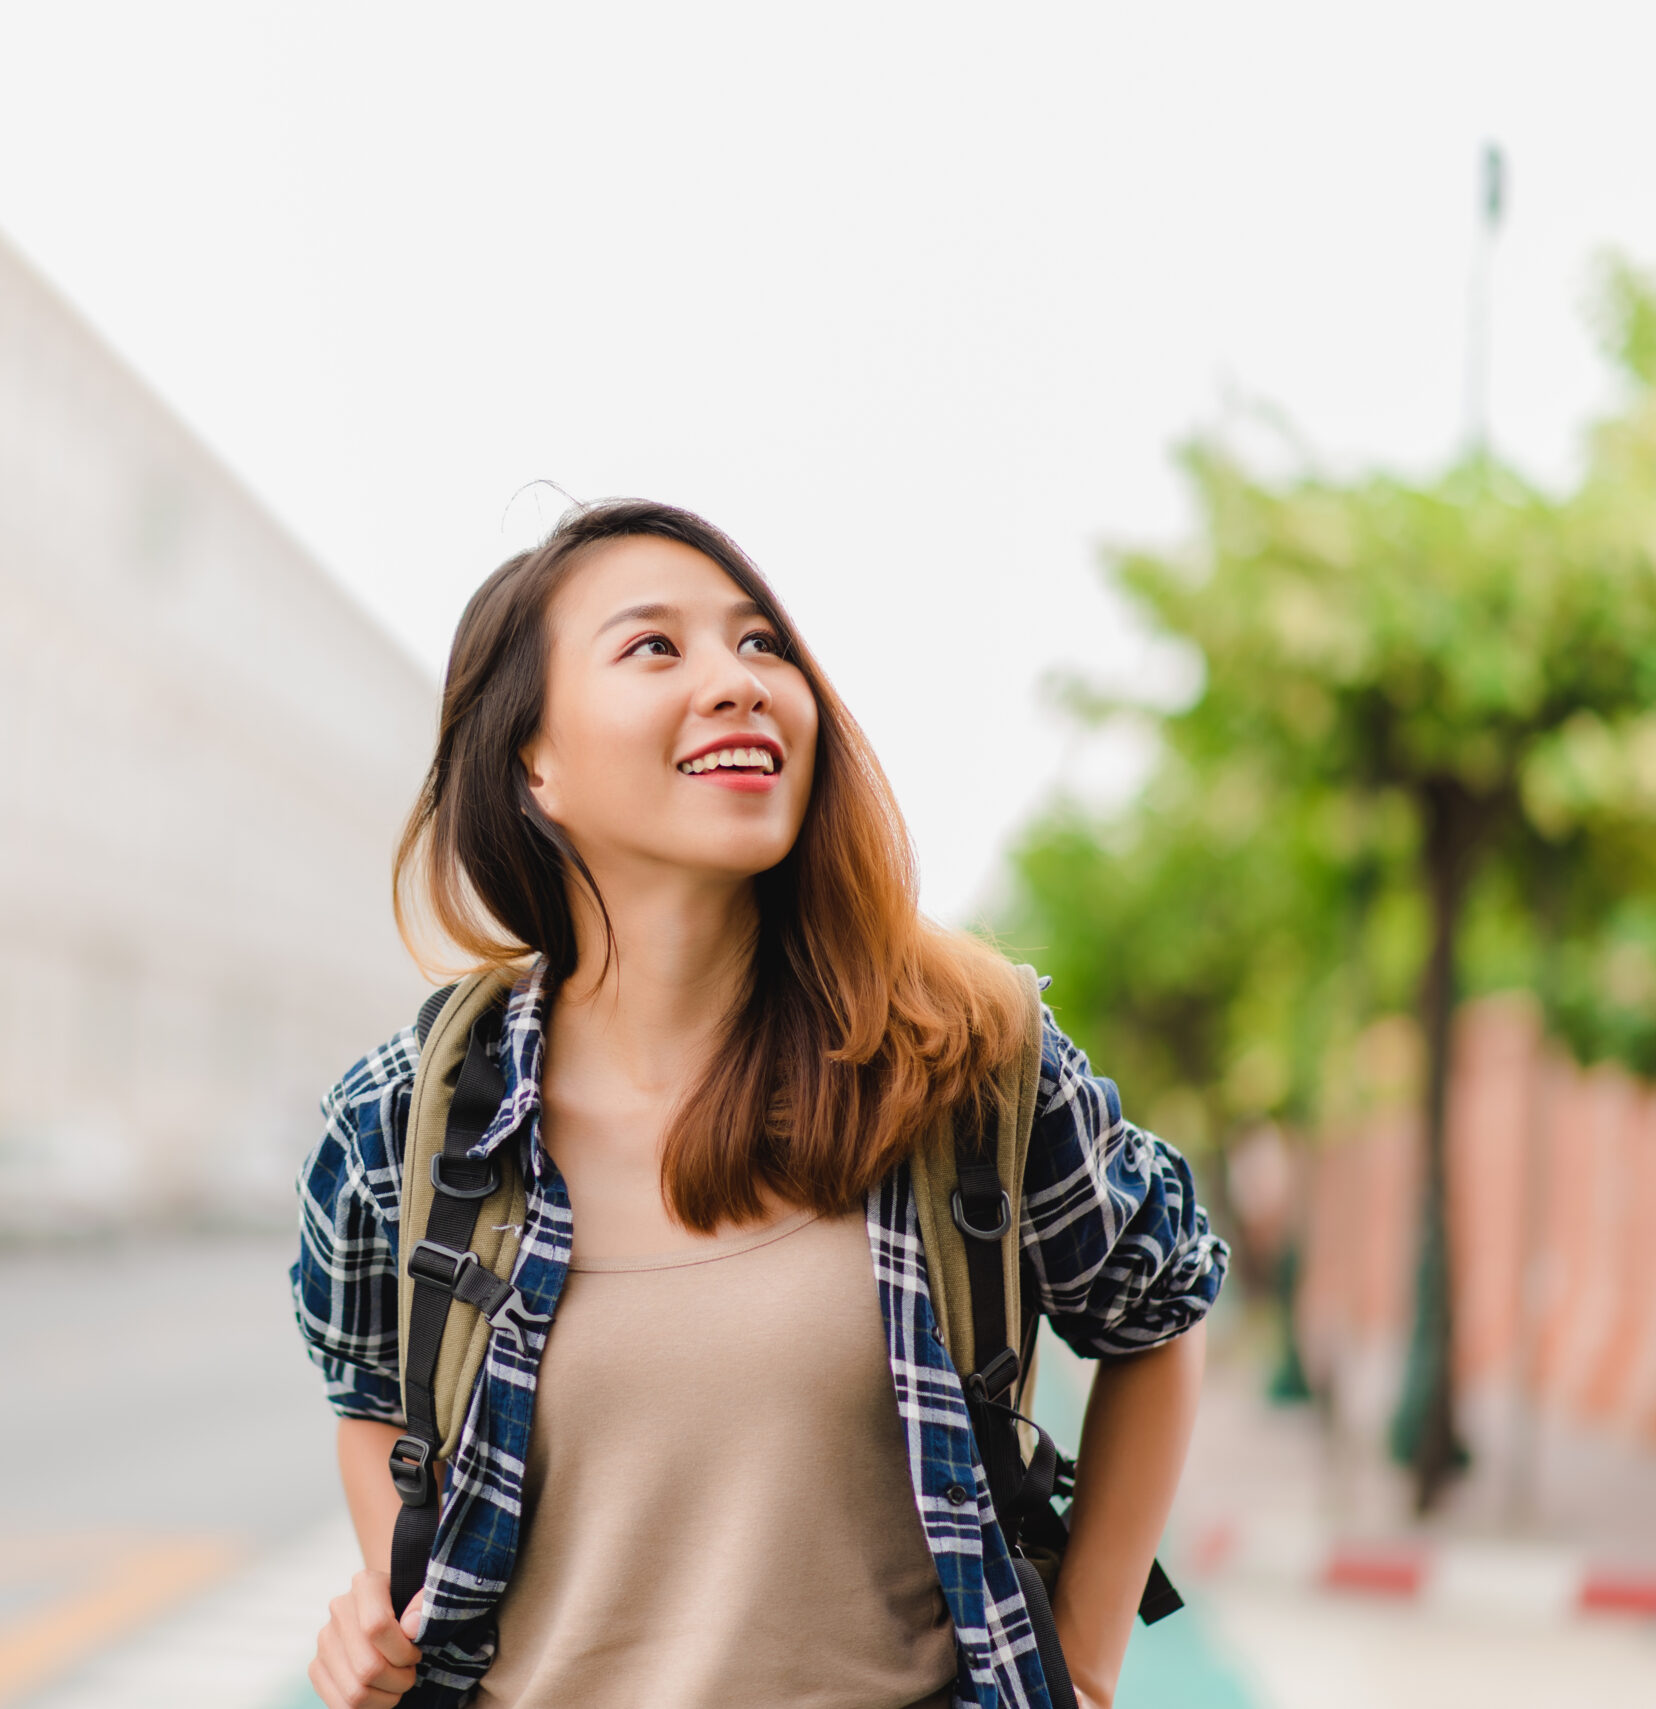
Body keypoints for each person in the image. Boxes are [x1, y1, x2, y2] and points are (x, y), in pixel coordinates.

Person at [290, 501, 1227, 1709]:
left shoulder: (964, 1059)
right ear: (536, 762)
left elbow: (1158, 1305)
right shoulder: (401, 1121)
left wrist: (1085, 1663)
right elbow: (373, 1399)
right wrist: (389, 1619)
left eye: (760, 643)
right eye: (654, 647)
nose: (737, 682)